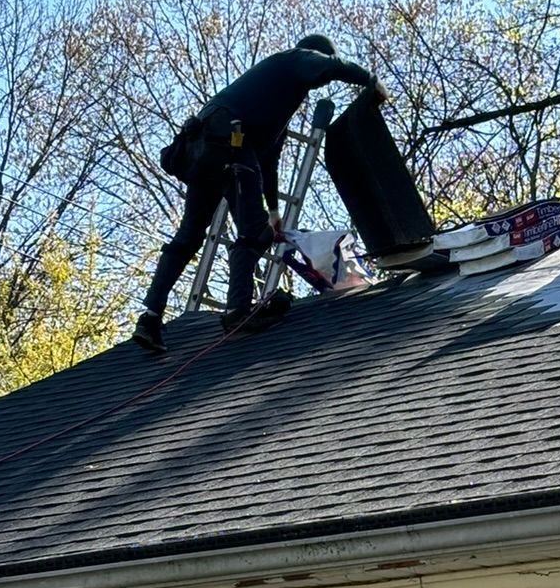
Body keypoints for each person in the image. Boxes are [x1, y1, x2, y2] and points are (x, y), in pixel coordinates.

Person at [132, 33, 383, 352]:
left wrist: (275, 213)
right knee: (254, 234)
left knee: (189, 237)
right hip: (229, 145)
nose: (319, 82)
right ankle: (238, 313)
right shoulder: (296, 59)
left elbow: (269, 162)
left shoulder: (273, 100)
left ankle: (150, 318)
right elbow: (332, 66)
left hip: (204, 151)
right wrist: (371, 81)